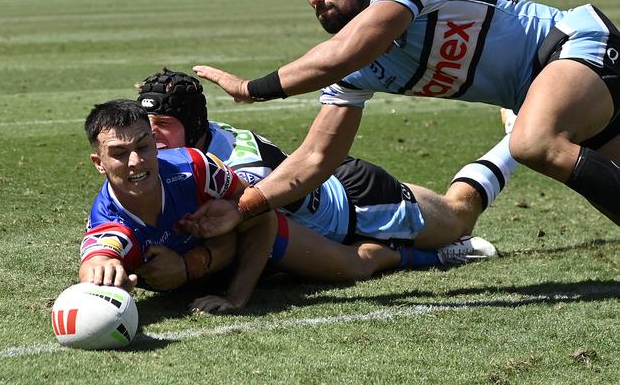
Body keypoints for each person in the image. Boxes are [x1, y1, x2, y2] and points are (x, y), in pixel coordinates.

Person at [185, 0, 620, 238]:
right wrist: (243, 208)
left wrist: (251, 90)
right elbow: (316, 159)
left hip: (572, 45)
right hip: (555, 89)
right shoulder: (356, 71)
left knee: (532, 141)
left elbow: (341, 54)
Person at [135, 69, 512, 287]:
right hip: (317, 221)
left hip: (359, 203)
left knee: (459, 214)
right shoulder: (183, 151)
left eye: (164, 125)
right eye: (147, 124)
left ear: (196, 124)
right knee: (356, 264)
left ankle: (516, 139)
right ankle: (428, 251)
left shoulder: (241, 166)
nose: (152, 136)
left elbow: (245, 232)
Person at [80, 99, 279, 311]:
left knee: (317, 264)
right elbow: (96, 260)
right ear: (99, 163)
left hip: (267, 247)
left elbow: (262, 215)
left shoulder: (193, 167)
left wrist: (233, 296)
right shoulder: (108, 221)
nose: (135, 161)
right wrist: (102, 274)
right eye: (119, 153)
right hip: (218, 268)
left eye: (143, 146)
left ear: (155, 143)